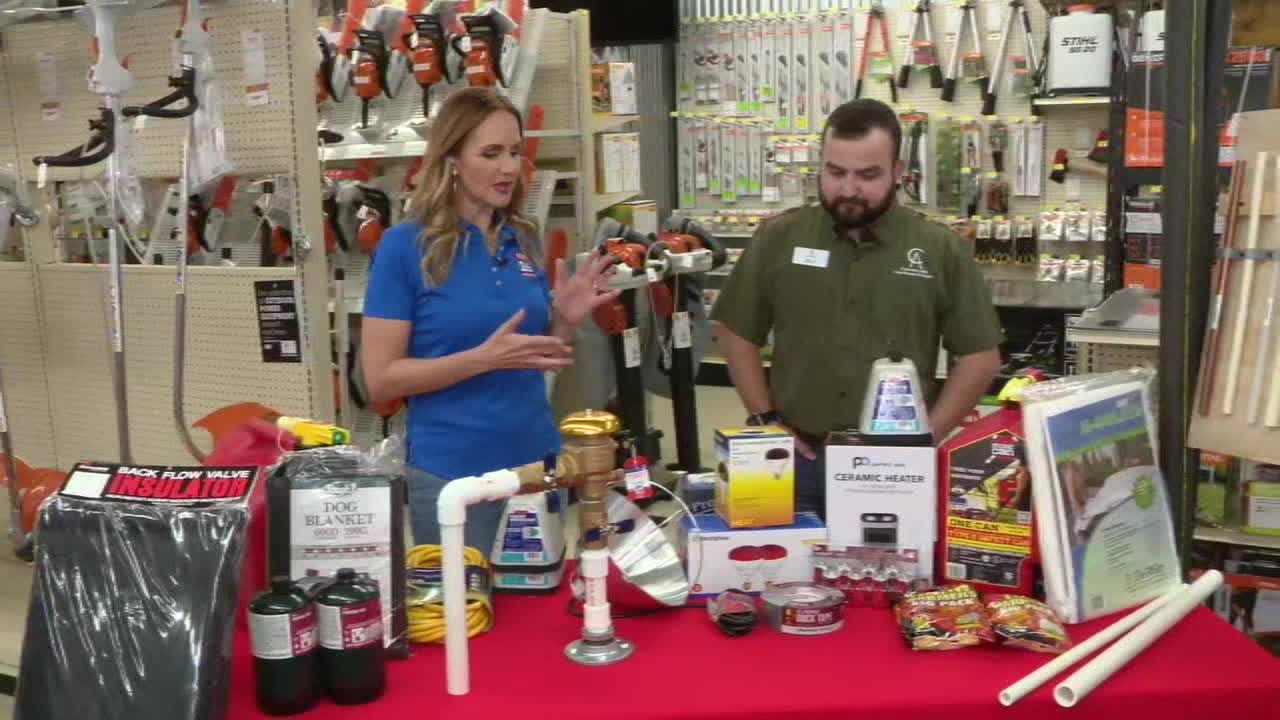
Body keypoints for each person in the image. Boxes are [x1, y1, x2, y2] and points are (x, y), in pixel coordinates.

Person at [711, 98, 1003, 517]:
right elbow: (735, 329)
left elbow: (979, 357)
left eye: (867, 175)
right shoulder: (780, 238)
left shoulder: (940, 249)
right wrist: (764, 420)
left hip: (896, 467)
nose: (848, 189)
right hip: (794, 461)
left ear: (897, 172)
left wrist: (927, 439)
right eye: (835, 172)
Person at [361, 88, 618, 550]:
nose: (508, 168)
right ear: (452, 160)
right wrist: (481, 359)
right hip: (454, 476)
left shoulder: (521, 237)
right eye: (491, 153)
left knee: (541, 594)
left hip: (537, 466)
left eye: (515, 152)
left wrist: (563, 320)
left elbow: (532, 355)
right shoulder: (404, 247)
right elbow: (380, 381)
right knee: (463, 597)